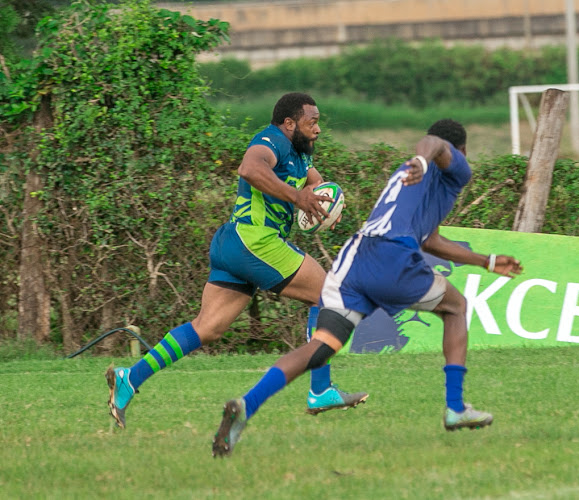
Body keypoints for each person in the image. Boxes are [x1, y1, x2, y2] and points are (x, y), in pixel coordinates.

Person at [212, 118, 523, 457]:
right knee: (456, 307)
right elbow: (436, 145)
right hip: (392, 257)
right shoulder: (454, 168)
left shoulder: (405, 174)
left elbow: (430, 240)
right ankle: (455, 407)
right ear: (462, 151)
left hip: (355, 257)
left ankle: (247, 404)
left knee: (322, 346)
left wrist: (486, 261)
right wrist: (424, 157)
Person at [106, 92, 368, 429]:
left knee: (208, 328)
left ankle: (131, 377)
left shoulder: (299, 155)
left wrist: (326, 200)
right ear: (289, 124)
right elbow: (249, 167)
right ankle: (320, 390)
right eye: (311, 122)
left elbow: (314, 181)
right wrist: (297, 197)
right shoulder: (270, 140)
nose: (317, 129)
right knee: (328, 294)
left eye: (318, 122)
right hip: (254, 240)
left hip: (234, 244)